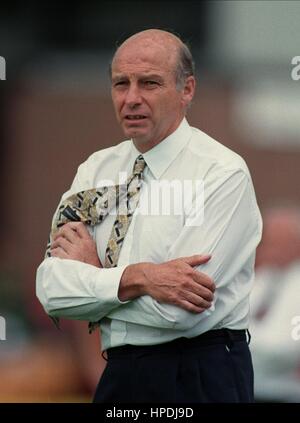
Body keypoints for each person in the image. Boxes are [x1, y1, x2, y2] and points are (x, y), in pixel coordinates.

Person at [36, 29, 262, 403]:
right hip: (121, 373)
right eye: (120, 83)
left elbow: (180, 314)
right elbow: (51, 292)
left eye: (150, 83)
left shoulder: (222, 173)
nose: (131, 99)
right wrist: (140, 278)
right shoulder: (96, 169)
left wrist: (96, 283)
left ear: (187, 90)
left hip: (200, 375)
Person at [250, 206, 300, 402]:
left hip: (285, 391)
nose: (269, 249)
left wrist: (233, 341)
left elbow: (285, 349)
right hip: (249, 385)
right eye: (267, 242)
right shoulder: (263, 277)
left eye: (279, 242)